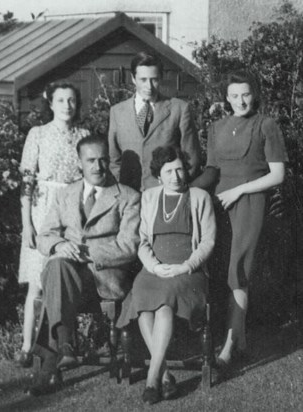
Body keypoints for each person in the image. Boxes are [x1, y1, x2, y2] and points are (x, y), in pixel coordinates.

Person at [27, 135, 140, 396]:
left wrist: (83, 251)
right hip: (66, 275)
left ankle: (55, 358)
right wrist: (58, 246)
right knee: (57, 265)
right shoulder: (65, 194)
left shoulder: (128, 197)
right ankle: (64, 347)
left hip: (104, 278)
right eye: (91, 160)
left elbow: (128, 247)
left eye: (103, 160)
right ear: (80, 163)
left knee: (56, 272)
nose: (98, 166)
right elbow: (45, 237)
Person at [117, 145, 216, 404]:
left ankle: (152, 378)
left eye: (180, 169)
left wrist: (185, 266)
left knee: (164, 305)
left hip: (188, 271)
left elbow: (208, 243)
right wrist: (153, 266)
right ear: (159, 176)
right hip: (155, 268)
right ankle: (165, 375)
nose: (176, 176)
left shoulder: (199, 197)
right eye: (169, 171)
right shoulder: (149, 197)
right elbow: (142, 241)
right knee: (142, 299)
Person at [204, 70, 288, 367]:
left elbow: (277, 175)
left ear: (255, 93)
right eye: (235, 95)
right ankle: (239, 340)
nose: (241, 101)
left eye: (246, 94)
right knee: (224, 268)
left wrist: (239, 191)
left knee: (238, 269)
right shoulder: (217, 127)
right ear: (226, 98)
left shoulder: (266, 125)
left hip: (250, 202)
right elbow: (212, 170)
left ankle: (228, 346)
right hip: (218, 203)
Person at [17, 81, 90, 367]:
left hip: (71, 209)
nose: (67, 106)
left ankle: (57, 346)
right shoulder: (38, 134)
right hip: (42, 208)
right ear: (51, 103)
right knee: (36, 283)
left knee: (58, 279)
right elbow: (26, 182)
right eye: (61, 101)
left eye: (71, 101)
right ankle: (26, 346)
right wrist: (27, 225)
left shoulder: (83, 135)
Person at [108, 51, 201, 191]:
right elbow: (113, 160)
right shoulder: (117, 112)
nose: (149, 86)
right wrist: (122, 190)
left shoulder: (179, 109)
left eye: (154, 79)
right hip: (128, 195)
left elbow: (191, 158)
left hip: (165, 194)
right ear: (133, 78)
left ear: (161, 78)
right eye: (143, 80)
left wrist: (174, 189)